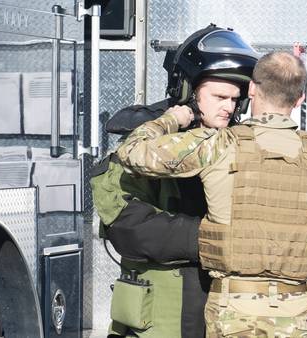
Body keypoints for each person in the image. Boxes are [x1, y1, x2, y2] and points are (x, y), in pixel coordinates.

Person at [115, 51, 307, 337]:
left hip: (233, 313)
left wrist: (172, 118)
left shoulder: (219, 144)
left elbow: (131, 152)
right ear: (300, 98)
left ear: (251, 90)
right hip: (296, 315)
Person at [90, 24, 258, 338]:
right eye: (220, 96)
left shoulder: (236, 145)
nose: (229, 107)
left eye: (235, 99)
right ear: (188, 91)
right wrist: (213, 238)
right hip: (160, 313)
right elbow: (126, 226)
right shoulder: (146, 145)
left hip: (223, 311)